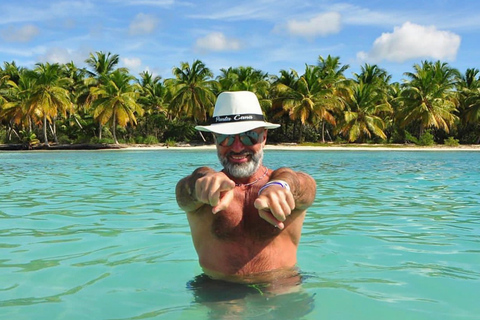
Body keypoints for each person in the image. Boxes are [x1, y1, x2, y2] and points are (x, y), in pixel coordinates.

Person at [176, 91, 316, 284]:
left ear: (264, 137)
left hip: (281, 285)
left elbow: (307, 187)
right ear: (215, 140)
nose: (237, 147)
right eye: (226, 138)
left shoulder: (284, 185)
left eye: (249, 136)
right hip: (219, 290)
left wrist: (282, 184)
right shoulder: (204, 188)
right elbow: (183, 194)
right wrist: (201, 180)